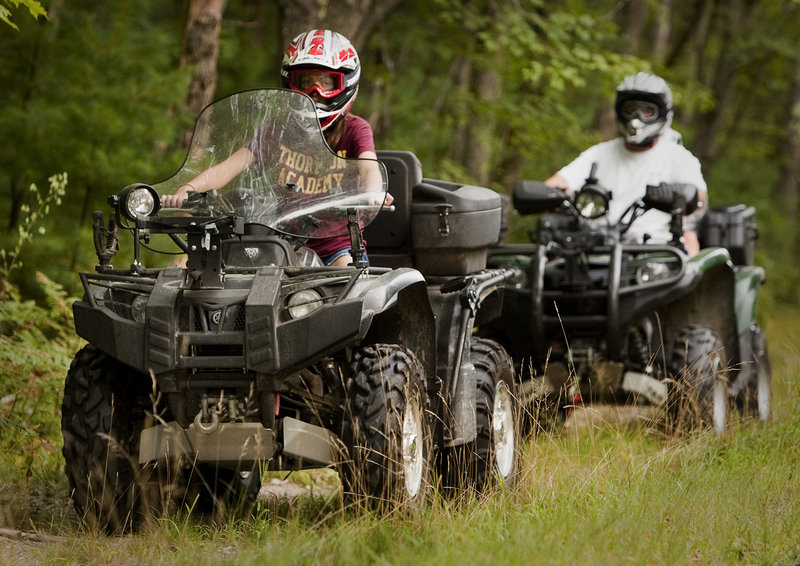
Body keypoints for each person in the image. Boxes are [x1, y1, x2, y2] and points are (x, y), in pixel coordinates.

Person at [162, 29, 392, 266]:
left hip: (335, 248)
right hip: (281, 243)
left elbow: (368, 167)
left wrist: (374, 192)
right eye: (305, 82)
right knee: (208, 272)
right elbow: (230, 167)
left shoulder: (355, 129)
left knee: (347, 283)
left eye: (326, 82)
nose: (315, 92)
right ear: (289, 82)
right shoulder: (280, 128)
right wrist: (188, 187)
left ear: (346, 83)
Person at [545, 72, 707, 256]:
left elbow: (698, 197)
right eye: (630, 109)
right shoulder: (599, 153)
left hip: (655, 253)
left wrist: (671, 196)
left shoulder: (678, 157)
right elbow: (557, 183)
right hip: (593, 248)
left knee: (690, 249)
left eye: (647, 111)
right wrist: (553, 195)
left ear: (661, 114)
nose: (636, 118)